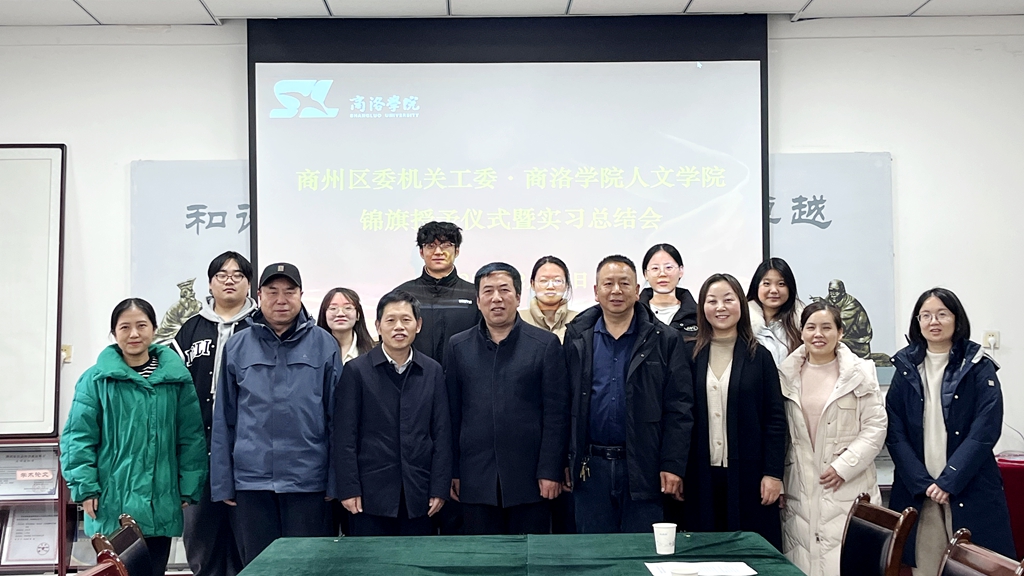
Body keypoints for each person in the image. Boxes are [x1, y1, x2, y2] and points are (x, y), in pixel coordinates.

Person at [61, 298, 207, 576]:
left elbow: (191, 437)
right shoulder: (96, 380)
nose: (134, 334)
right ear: (114, 333)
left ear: (154, 329)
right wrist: (85, 487)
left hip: (160, 499)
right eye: (125, 327)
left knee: (154, 571)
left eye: (141, 325)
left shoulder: (176, 379)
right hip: (111, 502)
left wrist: (189, 486)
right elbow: (77, 437)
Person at [211, 263, 342, 565]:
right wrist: (223, 482)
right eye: (272, 292)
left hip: (308, 481)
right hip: (251, 482)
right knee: (259, 566)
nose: (281, 300)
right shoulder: (238, 345)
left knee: (308, 566)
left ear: (301, 295)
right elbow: (224, 419)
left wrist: (336, 480)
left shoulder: (324, 344)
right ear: (259, 295)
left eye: (289, 292)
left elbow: (338, 419)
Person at [886, 288, 1015, 575]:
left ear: (956, 319)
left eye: (942, 314)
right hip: (922, 492)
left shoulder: (978, 365)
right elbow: (894, 431)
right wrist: (922, 482)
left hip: (969, 486)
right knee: (926, 568)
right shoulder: (905, 366)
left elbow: (985, 430)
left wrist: (949, 480)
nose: (934, 321)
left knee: (976, 567)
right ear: (917, 322)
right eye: (926, 315)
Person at [564, 255, 693, 533]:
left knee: (641, 551)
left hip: (644, 467)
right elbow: (564, 403)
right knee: (593, 553)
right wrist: (565, 460)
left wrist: (672, 464)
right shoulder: (577, 337)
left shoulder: (665, 339)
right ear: (596, 291)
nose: (616, 290)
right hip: (591, 467)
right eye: (608, 284)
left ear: (637, 290)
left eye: (624, 283)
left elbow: (679, 408)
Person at [445, 262, 570, 535]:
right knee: (482, 555)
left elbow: (556, 415)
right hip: (475, 478)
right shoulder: (458, 346)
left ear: (518, 296)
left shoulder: (545, 344)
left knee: (529, 554)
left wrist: (550, 470)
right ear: (478, 300)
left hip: (531, 480)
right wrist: (453, 471)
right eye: (488, 291)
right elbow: (452, 414)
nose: (496, 298)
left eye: (504, 290)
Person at [777, 301, 887, 576]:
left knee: (847, 563)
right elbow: (780, 433)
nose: (818, 334)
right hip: (800, 488)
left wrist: (843, 467)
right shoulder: (785, 376)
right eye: (811, 327)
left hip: (848, 484)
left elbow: (875, 427)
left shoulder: (860, 373)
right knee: (803, 561)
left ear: (840, 332)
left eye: (826, 327)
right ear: (801, 332)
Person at [332, 290, 451, 536]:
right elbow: (344, 436)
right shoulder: (356, 371)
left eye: (406, 320)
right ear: (378, 326)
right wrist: (349, 488)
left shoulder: (432, 371)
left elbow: (442, 433)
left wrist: (439, 487)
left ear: (418, 325)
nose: (399, 327)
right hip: (368, 495)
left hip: (419, 493)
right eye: (390, 320)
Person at [683, 273, 786, 549]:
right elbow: (678, 417)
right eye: (712, 301)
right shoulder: (688, 355)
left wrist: (773, 474)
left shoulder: (759, 357)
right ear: (702, 307)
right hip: (699, 476)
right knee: (702, 553)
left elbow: (775, 420)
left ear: (741, 304)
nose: (721, 307)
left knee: (747, 553)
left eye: (728, 300)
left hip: (749, 477)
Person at [174, 252, 256, 576]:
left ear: (249, 284)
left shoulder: (259, 327)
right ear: (210, 284)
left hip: (245, 449)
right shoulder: (190, 329)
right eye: (222, 275)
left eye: (238, 275)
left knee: (246, 541)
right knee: (200, 539)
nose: (229, 280)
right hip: (199, 449)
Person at [395, 221, 480, 365]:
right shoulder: (402, 295)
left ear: (457, 251)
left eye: (446, 245)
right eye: (431, 246)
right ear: (421, 252)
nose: (438, 252)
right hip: (413, 374)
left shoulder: (474, 295)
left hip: (463, 375)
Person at [746, 258, 804, 366]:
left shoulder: (802, 324)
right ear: (756, 286)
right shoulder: (742, 323)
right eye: (767, 283)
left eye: (781, 284)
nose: (774, 290)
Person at [638, 243, 698, 340]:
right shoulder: (633, 314)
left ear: (681, 271)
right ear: (645, 274)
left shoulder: (698, 315)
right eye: (655, 268)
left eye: (669, 267)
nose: (662, 274)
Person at [520, 255, 578, 343]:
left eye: (557, 281)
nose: (550, 286)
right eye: (543, 281)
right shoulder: (518, 319)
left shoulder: (578, 320)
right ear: (532, 284)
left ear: (566, 285)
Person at [317, 287, 375, 364]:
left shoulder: (373, 352)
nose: (340, 314)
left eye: (348, 308)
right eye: (333, 308)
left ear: (358, 315)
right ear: (324, 315)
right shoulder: (313, 350)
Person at [823, 279, 873, 358]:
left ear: (843, 292)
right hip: (842, 337)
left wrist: (825, 305)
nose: (833, 294)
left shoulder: (851, 304)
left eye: (836, 291)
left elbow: (841, 326)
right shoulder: (830, 299)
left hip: (857, 342)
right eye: (830, 291)